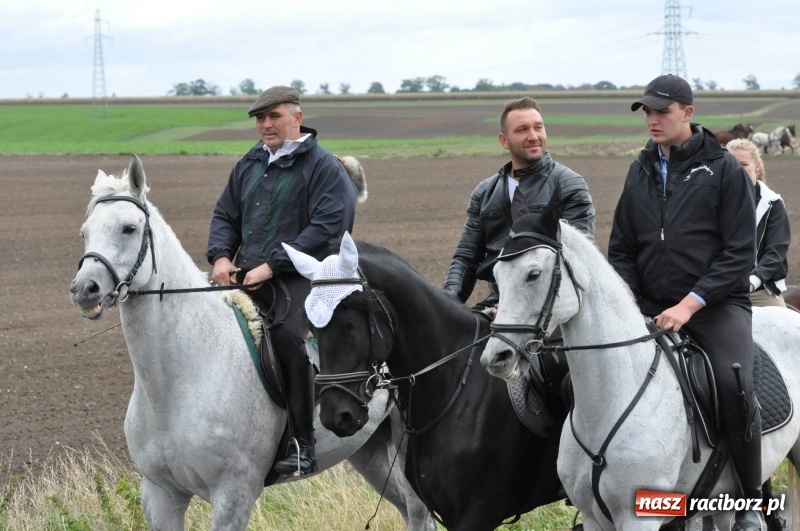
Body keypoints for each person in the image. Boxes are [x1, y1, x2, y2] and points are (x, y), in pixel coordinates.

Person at [608, 74, 763, 531]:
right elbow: (621, 250)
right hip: (650, 306)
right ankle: (600, 494)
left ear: (688, 114)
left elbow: (740, 253)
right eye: (648, 112)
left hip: (716, 307)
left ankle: (750, 502)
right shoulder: (638, 169)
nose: (653, 120)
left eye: (663, 111)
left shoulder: (723, 168)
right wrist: (631, 304)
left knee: (734, 385)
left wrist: (690, 304)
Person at [207, 86, 358, 476]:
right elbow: (226, 215)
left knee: (289, 338)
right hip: (248, 275)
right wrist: (222, 257)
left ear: (297, 118)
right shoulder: (250, 163)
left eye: (273, 116)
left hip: (301, 276)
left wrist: (272, 267)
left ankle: (301, 444)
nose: (265, 125)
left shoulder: (325, 167)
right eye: (260, 118)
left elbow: (328, 227)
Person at [443, 97, 595, 309]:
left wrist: (517, 308)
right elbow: (466, 259)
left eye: (538, 128)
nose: (533, 136)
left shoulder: (568, 185)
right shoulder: (485, 192)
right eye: (522, 130)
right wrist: (446, 305)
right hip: (495, 304)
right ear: (504, 140)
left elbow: (577, 259)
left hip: (549, 311)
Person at [727, 138, 790, 308]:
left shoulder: (772, 203)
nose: (738, 170)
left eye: (744, 164)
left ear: (757, 166)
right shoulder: (713, 201)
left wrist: (752, 282)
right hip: (719, 288)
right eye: (733, 165)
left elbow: (776, 251)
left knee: (784, 331)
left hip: (759, 291)